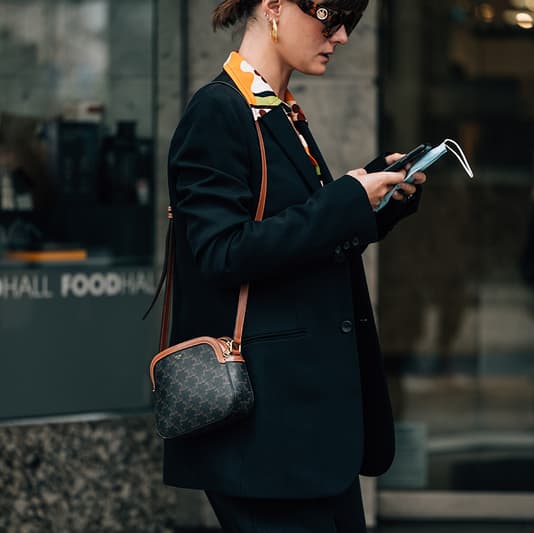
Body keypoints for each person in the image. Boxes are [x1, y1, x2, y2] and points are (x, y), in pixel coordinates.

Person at [163, 0, 426, 530]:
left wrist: (373, 204)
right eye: (331, 16)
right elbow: (222, 251)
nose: (342, 35)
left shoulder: (278, 111)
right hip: (263, 434)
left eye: (350, 22)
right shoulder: (219, 111)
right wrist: (345, 201)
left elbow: (299, 240)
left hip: (304, 431)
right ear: (275, 7)